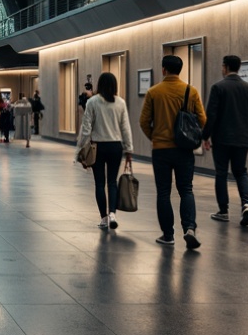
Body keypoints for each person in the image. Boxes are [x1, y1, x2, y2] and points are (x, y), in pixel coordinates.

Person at [140, 56, 206, 248]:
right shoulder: (190, 91)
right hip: (184, 150)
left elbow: (144, 121)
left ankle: (168, 235)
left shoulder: (154, 92)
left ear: (163, 70)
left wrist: (155, 137)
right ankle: (189, 229)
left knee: (163, 192)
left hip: (161, 150)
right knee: (186, 189)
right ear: (180, 70)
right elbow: (202, 120)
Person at [202, 55, 248, 226]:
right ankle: (247, 204)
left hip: (221, 139)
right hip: (242, 139)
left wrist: (205, 136)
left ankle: (223, 211)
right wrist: (244, 128)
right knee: (241, 172)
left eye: (222, 66)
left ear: (226, 67)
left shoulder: (218, 88)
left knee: (221, 173)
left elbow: (211, 115)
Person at [77, 72, 134, 230]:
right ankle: (113, 214)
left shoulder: (92, 102)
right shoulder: (120, 102)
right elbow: (125, 128)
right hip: (115, 146)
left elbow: (86, 128)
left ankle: (103, 218)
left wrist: (82, 150)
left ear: (99, 85)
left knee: (100, 183)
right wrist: (129, 149)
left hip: (98, 147)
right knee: (112, 182)